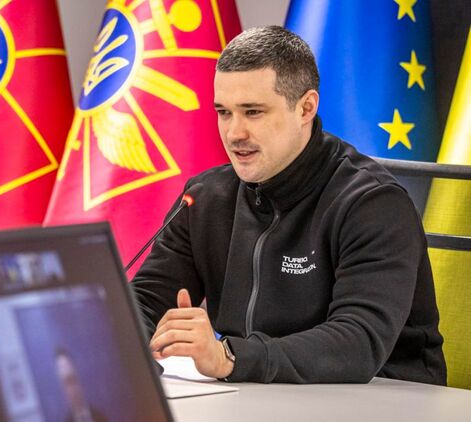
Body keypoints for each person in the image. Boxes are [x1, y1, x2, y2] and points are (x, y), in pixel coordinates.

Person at [131, 26, 446, 385]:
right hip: (256, 392)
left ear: (306, 107)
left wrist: (230, 357)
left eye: (253, 112)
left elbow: (358, 342)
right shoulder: (204, 198)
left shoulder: (372, 202)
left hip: (387, 396)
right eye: (224, 112)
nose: (234, 133)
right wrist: (112, 346)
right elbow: (145, 301)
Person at [54, 347, 107, 422]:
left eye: (73, 379)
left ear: (79, 377)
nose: (72, 388)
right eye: (66, 383)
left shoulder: (100, 417)